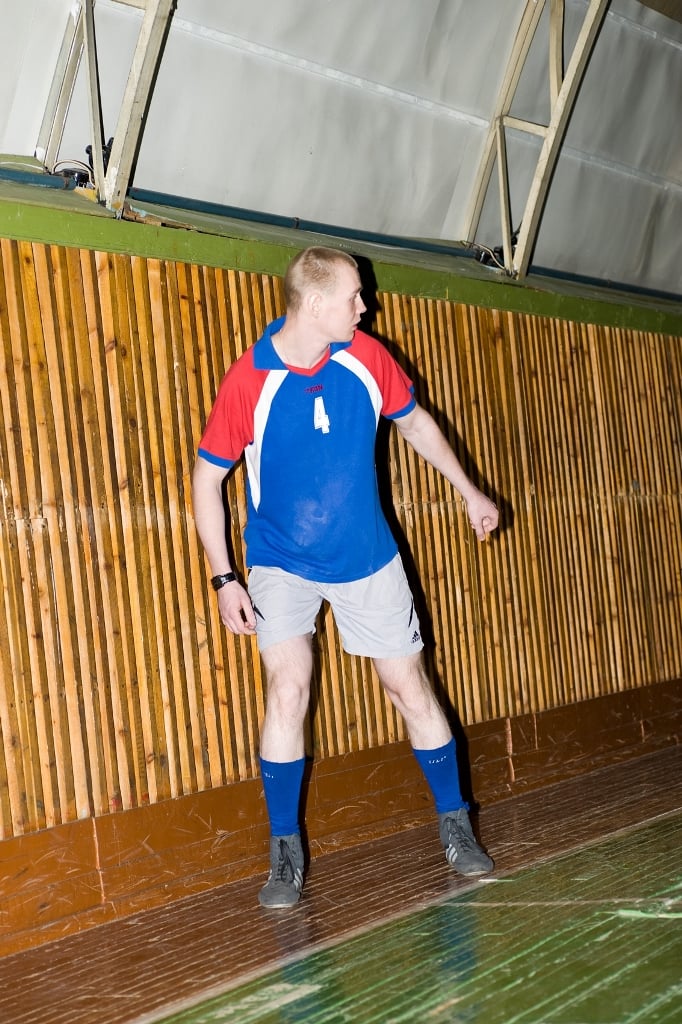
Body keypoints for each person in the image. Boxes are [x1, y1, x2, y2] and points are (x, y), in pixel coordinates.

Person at [192, 246, 498, 909]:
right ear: (314, 304)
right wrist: (224, 578)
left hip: (366, 555)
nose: (365, 306)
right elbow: (206, 480)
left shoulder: (366, 357)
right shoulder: (249, 379)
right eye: (354, 296)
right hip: (280, 558)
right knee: (288, 686)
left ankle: (455, 825)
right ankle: (284, 851)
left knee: (407, 685)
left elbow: (415, 424)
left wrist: (469, 490)